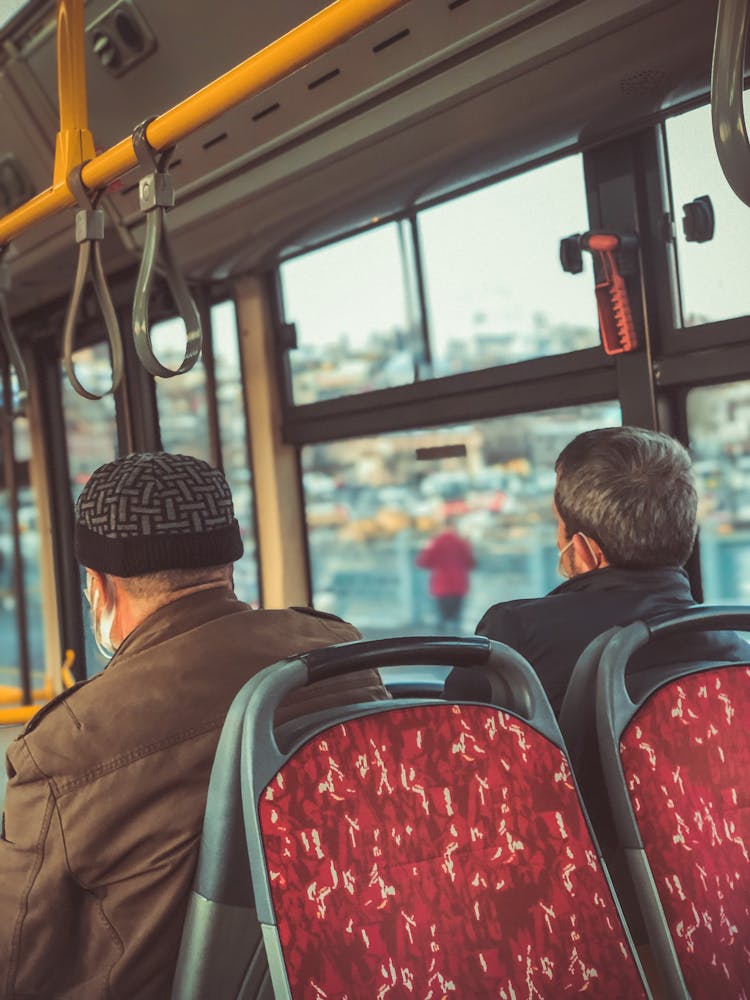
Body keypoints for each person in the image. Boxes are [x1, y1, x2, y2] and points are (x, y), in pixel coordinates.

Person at [0, 452, 386, 1000]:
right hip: (338, 970)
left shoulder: (68, 744)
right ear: (229, 563)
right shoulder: (336, 648)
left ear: (98, 585)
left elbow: (16, 960)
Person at [445, 426, 749, 712]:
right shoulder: (734, 649)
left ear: (586, 550)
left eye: (559, 523)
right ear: (687, 532)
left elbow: (459, 743)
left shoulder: (516, 638)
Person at [416, 517, 475, 630]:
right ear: (455, 527)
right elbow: (471, 563)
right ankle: (458, 645)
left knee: (441, 621)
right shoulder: (462, 543)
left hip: (441, 586)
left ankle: (441, 645)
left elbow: (422, 562)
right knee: (456, 622)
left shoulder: (435, 543)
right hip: (459, 586)